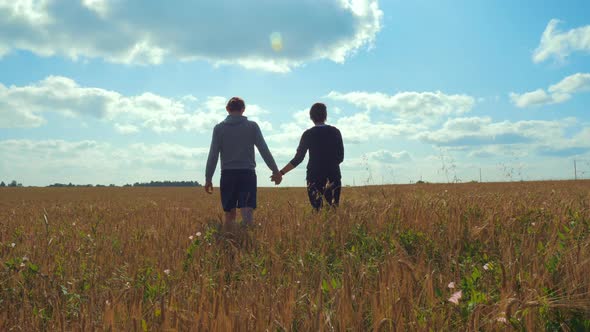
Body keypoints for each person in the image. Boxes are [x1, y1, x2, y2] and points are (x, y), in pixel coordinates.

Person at [205, 97, 282, 228]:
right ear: (243, 109)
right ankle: (247, 243)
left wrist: (208, 178)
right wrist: (275, 171)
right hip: (247, 174)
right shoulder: (252, 126)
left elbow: (213, 154)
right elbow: (264, 150)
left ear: (227, 109)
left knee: (229, 214)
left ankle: (230, 241)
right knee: (247, 214)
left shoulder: (219, 129)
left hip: (227, 175)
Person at [274, 102, 344, 210]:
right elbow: (340, 157)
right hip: (333, 175)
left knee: (317, 210)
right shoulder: (335, 132)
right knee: (333, 210)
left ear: (311, 117)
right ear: (325, 115)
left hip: (314, 175)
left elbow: (298, 159)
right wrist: (330, 165)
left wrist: (281, 172)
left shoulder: (308, 134)